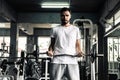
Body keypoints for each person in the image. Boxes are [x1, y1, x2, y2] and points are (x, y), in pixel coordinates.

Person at [47, 7, 83, 80]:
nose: (65, 17)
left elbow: (78, 45)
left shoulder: (75, 29)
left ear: (70, 16)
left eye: (67, 15)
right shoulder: (55, 29)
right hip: (57, 60)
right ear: (60, 16)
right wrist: (50, 51)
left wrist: (80, 52)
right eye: (62, 15)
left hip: (72, 60)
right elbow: (52, 44)